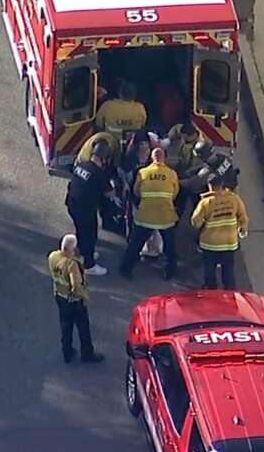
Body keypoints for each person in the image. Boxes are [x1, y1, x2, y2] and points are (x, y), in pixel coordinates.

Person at [119, 147, 179, 280]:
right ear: (164, 158)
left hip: (146, 215)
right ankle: (170, 271)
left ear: (151, 158)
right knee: (170, 246)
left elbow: (136, 192)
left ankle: (126, 269)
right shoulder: (172, 174)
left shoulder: (143, 172)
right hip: (165, 216)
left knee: (135, 244)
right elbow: (175, 194)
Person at [48, 234, 105, 364]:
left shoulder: (53, 256)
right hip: (73, 301)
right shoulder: (71, 264)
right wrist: (85, 297)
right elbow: (76, 286)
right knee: (83, 327)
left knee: (65, 326)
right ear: (73, 249)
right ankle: (87, 353)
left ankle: (67, 352)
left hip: (59, 296)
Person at [191, 174, 249, 289]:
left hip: (210, 244)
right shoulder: (234, 199)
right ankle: (230, 292)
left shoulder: (206, 202)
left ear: (209, 185)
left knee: (210, 271)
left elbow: (195, 221)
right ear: (222, 184)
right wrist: (242, 229)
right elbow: (243, 217)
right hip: (229, 243)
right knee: (228, 272)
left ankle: (211, 290)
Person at [65, 141, 115, 276]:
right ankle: (89, 264)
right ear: (104, 159)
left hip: (72, 204)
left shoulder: (82, 165)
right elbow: (110, 193)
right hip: (85, 209)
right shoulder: (99, 174)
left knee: (81, 231)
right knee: (90, 235)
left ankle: (82, 251)